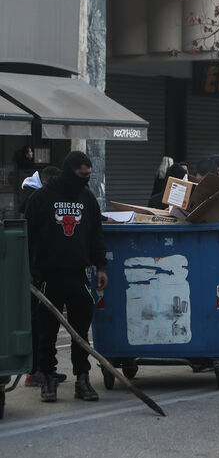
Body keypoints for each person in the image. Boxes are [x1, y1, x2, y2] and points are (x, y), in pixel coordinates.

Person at [25, 151, 108, 402]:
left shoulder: (87, 198)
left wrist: (101, 266)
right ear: (70, 170)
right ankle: (48, 378)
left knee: (81, 331)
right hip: (48, 276)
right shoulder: (41, 198)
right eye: (82, 175)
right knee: (46, 331)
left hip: (78, 275)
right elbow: (28, 237)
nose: (86, 179)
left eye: (89, 175)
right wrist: (28, 272)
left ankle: (82, 378)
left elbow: (96, 235)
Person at [19, 165, 62, 388]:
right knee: (38, 323)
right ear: (45, 183)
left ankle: (45, 368)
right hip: (35, 269)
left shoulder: (36, 196)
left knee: (45, 322)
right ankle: (35, 371)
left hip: (41, 267)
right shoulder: (32, 199)